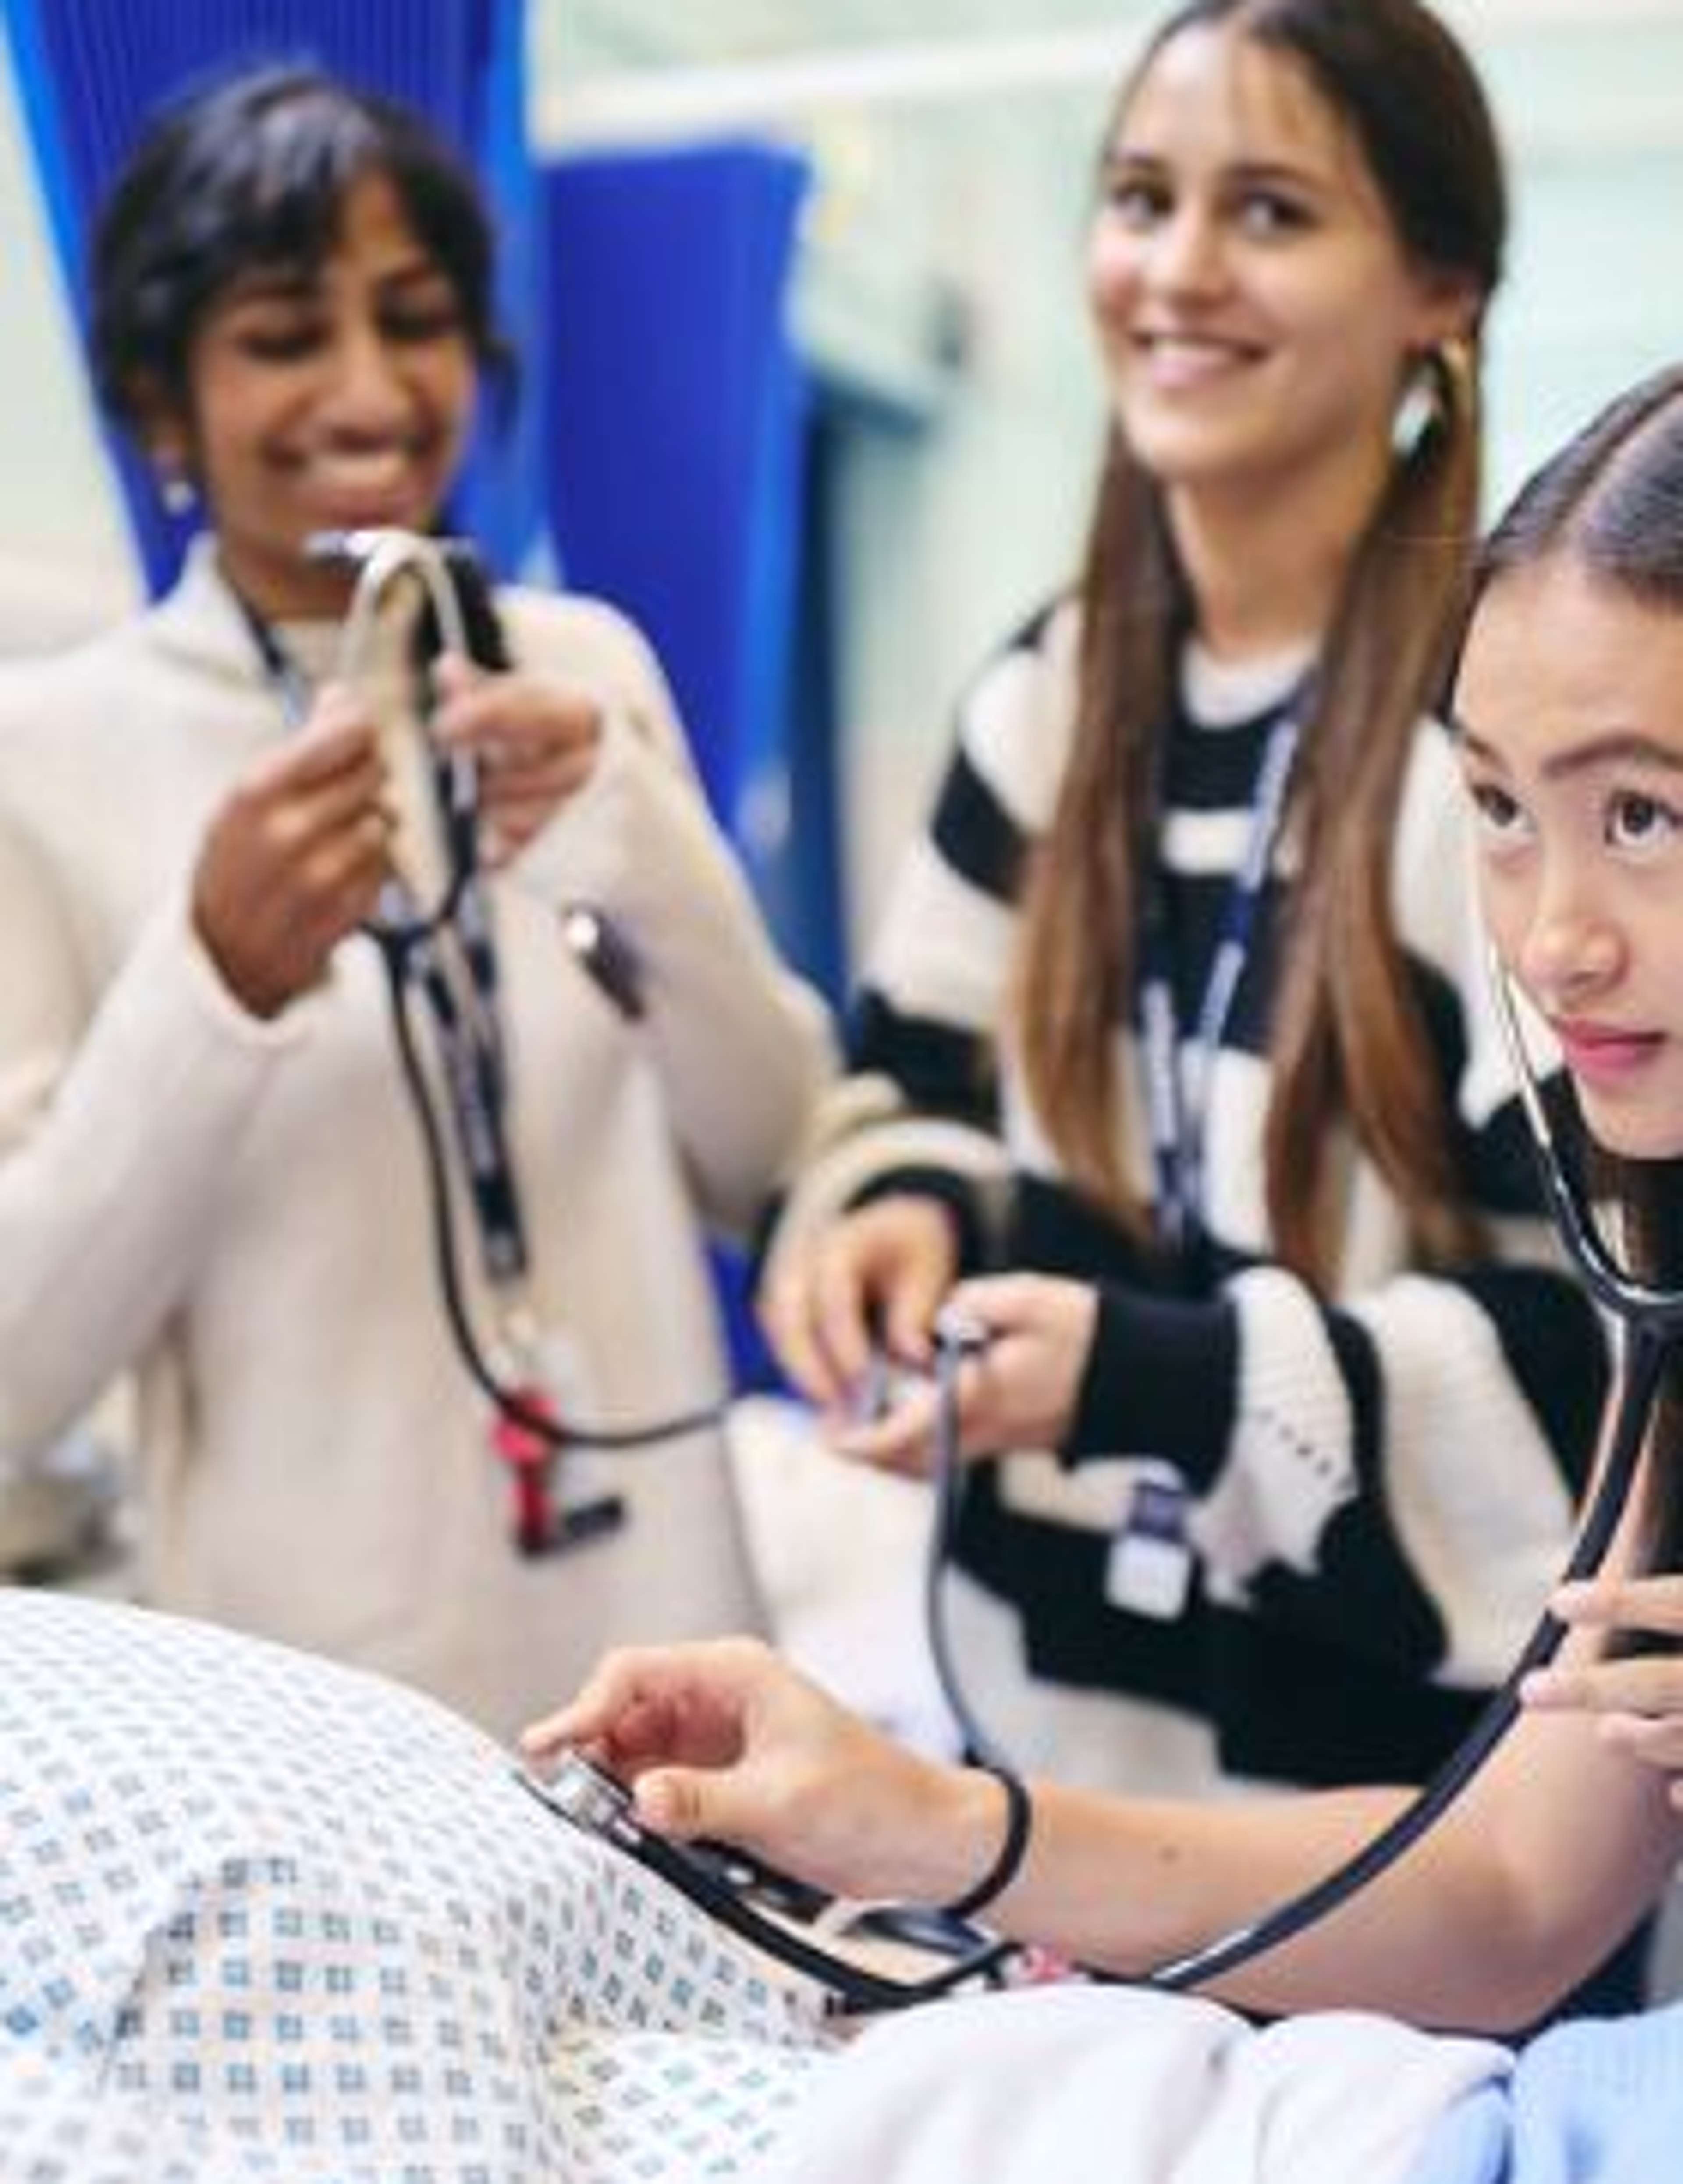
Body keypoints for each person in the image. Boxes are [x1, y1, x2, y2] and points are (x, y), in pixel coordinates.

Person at [521, 360, 1683, 2181]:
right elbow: (1512, 1891)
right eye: (1501, 810)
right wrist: (920, 1822)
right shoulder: (1658, 1267)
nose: (1554, 939)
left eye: (1644, 817)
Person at [757, 0, 1608, 1833]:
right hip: (1044, 1784)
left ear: (1441, 292)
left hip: (1406, 1835)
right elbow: (892, 1089)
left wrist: (1157, 1381)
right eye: (1142, 197)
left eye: (1274, 213)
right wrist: (898, 1212)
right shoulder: (1045, 707)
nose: (1179, 269)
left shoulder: (1498, 750)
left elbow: (1596, 1366)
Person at [0, 64, 833, 1739]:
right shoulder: (44, 759)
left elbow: (775, 1157)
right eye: (284, 335)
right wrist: (209, 988)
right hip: (306, 1731)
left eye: (417, 317)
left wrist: (636, 840)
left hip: (673, 1663)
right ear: (162, 404)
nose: (370, 391)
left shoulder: (585, 671)